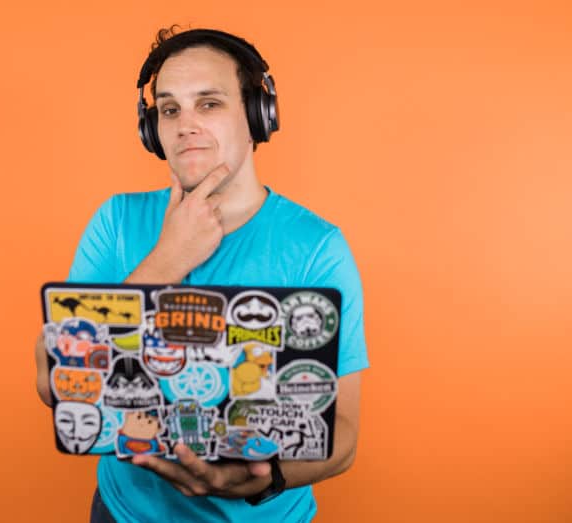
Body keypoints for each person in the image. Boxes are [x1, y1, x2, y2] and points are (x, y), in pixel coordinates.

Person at [34, 27, 369, 523]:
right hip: (125, 514)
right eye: (169, 110)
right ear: (154, 130)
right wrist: (168, 259)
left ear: (258, 115)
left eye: (208, 104)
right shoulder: (117, 222)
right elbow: (54, 381)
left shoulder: (317, 247)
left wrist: (257, 480)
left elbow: (342, 437)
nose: (185, 125)